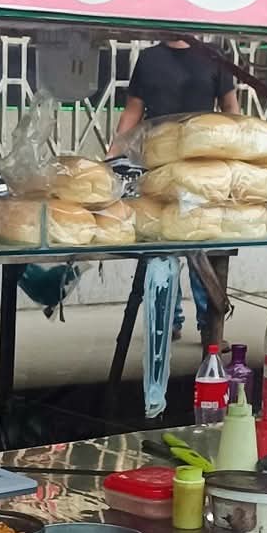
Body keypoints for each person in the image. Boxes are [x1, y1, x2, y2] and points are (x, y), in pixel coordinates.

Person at [112, 36, 240, 340]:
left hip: (202, 165)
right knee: (161, 245)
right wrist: (115, 149)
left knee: (202, 246)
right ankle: (167, 320)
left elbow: (230, 106)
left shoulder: (212, 55)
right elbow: (134, 109)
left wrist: (237, 150)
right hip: (158, 164)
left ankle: (209, 325)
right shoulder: (148, 58)